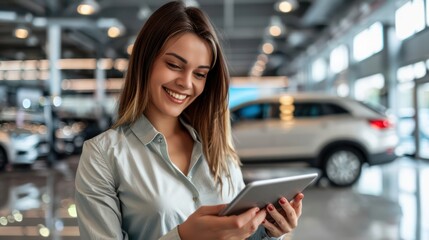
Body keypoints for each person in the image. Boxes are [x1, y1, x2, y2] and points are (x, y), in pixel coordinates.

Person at [74, 1, 304, 239]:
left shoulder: (218, 149)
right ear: (145, 62)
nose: (186, 82)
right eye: (174, 65)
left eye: (200, 74)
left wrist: (271, 231)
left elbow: (240, 233)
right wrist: (183, 237)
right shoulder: (102, 155)